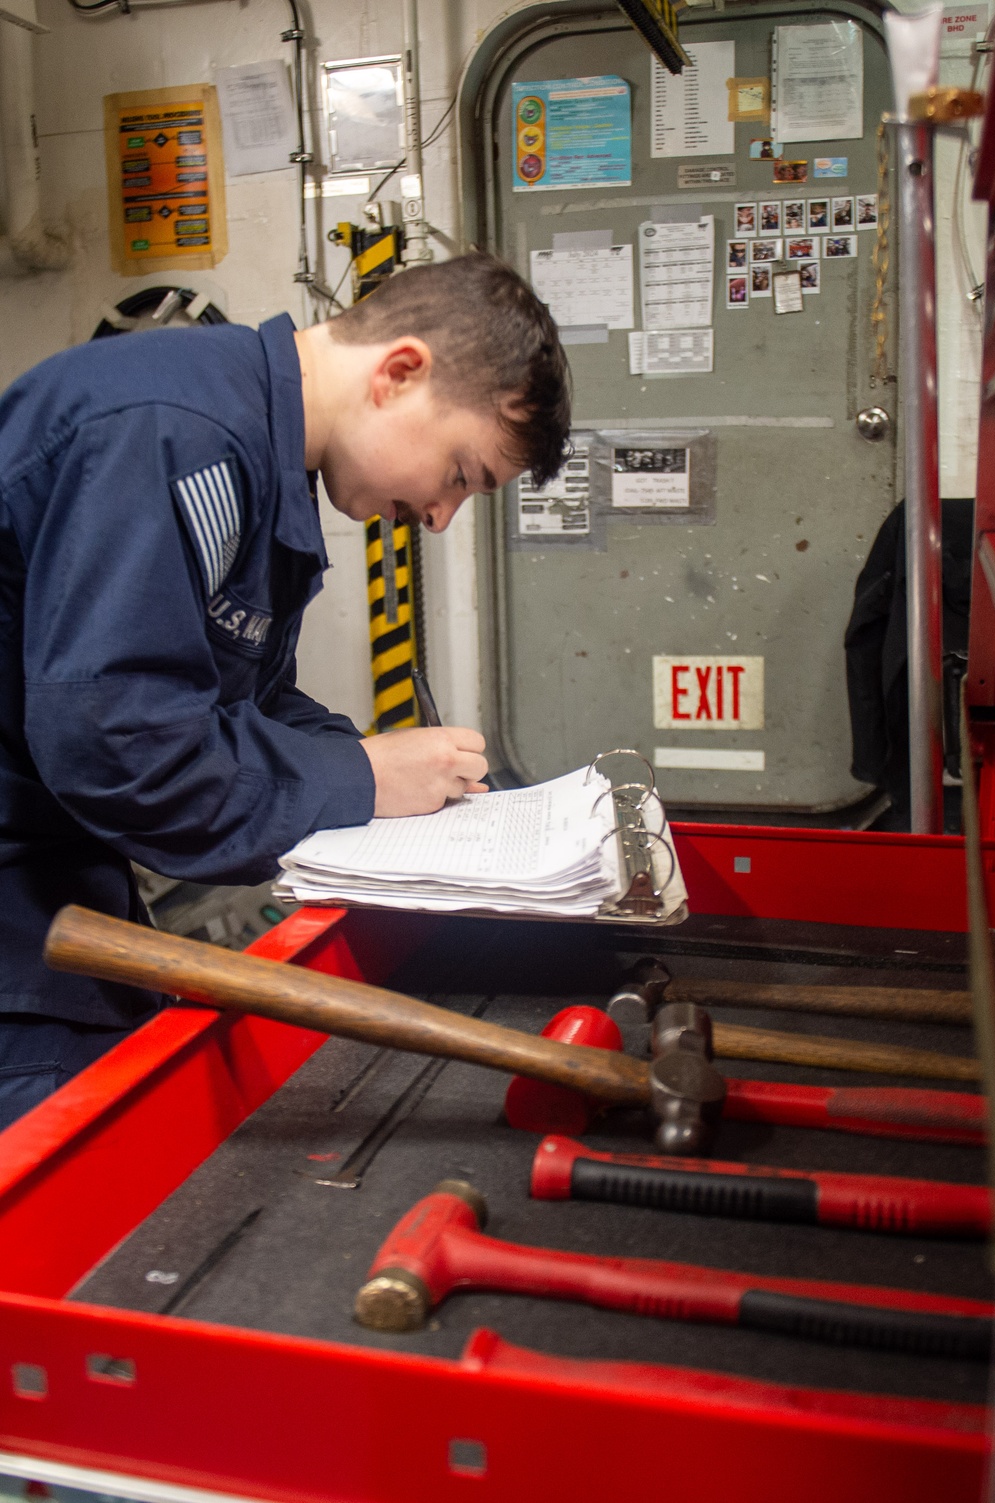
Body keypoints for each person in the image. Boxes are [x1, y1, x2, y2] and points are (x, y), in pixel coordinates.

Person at [0, 252, 571, 1129]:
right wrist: (362, 779)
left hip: (58, 890)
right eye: (461, 473)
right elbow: (117, 744)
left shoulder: (261, 459)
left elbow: (239, 698)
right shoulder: (177, 433)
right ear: (400, 373)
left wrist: (394, 782)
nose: (440, 516)